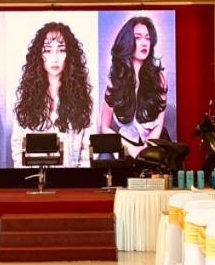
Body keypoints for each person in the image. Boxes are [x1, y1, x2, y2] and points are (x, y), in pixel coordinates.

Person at [11, 22, 94, 167]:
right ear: (39, 55)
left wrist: (79, 177)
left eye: (61, 50)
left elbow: (88, 149)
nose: (55, 58)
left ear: (70, 55)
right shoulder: (27, 98)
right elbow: (18, 147)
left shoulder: (83, 99)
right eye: (48, 50)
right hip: (34, 177)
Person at [100, 15, 168, 157]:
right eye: (138, 38)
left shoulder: (159, 78)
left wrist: (145, 150)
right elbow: (104, 126)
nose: (144, 43)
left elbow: (159, 125)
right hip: (125, 144)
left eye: (147, 38)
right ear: (127, 42)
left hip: (154, 146)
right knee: (105, 156)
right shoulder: (115, 82)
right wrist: (129, 148)